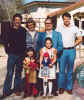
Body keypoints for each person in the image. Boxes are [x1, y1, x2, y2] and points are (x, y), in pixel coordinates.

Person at [56, 12, 82, 94]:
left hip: (71, 51)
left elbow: (80, 38)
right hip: (62, 51)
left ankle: (69, 87)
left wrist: (73, 45)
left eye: (67, 18)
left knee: (70, 70)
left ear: (70, 19)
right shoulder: (59, 28)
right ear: (63, 19)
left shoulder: (75, 28)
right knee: (61, 70)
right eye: (64, 18)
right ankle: (61, 87)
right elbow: (55, 38)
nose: (66, 20)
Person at [2, 13, 26, 98]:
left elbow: (24, 43)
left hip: (20, 55)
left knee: (18, 73)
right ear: (13, 21)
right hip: (12, 55)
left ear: (20, 21)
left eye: (19, 20)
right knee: (9, 73)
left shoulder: (23, 30)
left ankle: (17, 89)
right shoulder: (9, 30)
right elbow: (4, 41)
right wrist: (7, 50)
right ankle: (6, 91)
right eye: (16, 20)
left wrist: (24, 54)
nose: (17, 22)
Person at [37, 17, 63, 96]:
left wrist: (56, 50)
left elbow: (60, 45)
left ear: (52, 24)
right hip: (44, 58)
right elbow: (38, 45)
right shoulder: (41, 34)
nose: (48, 25)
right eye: (46, 23)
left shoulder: (57, 34)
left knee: (53, 74)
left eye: (49, 23)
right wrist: (40, 50)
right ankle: (43, 90)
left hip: (53, 58)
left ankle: (53, 91)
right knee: (44, 75)